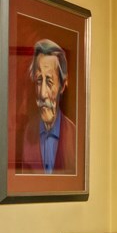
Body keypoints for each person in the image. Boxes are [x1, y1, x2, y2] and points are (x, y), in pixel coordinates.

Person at [16, 38, 75, 173]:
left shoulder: (74, 136)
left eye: (49, 82)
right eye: (38, 81)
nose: (42, 93)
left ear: (62, 86)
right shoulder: (27, 134)